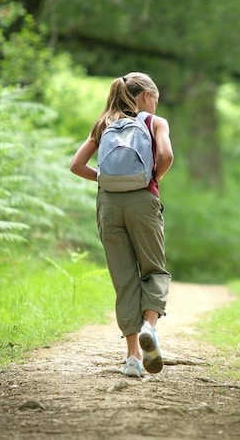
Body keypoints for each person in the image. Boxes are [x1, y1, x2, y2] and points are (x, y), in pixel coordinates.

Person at [70, 72, 174, 378]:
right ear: (146, 96)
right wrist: (154, 178)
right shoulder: (154, 122)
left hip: (109, 205)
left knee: (124, 279)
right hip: (143, 200)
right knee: (154, 269)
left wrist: (103, 179)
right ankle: (149, 327)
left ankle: (132, 358)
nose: (156, 104)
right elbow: (166, 155)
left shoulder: (103, 123)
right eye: (155, 99)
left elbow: (76, 165)